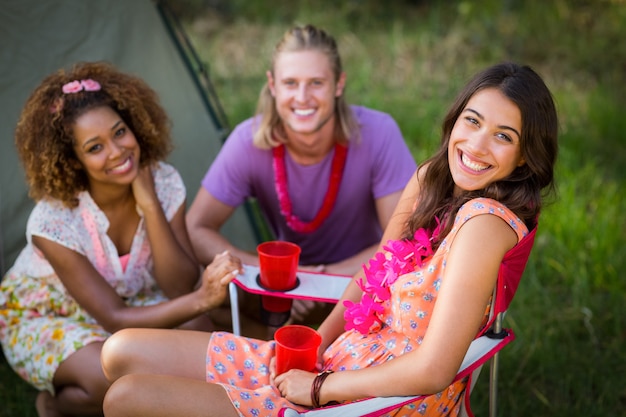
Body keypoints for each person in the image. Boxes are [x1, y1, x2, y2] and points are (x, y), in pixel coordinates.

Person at [100, 61, 558, 417]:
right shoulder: (430, 181)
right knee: (120, 353)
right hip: (338, 361)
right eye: (473, 121)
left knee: (125, 398)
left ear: (523, 158)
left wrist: (317, 388)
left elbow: (434, 370)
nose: (477, 146)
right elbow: (375, 274)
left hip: (376, 400)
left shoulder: (483, 223)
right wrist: (313, 348)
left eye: (503, 136)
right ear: (456, 120)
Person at [0, 61, 242, 417]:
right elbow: (115, 318)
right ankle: (55, 405)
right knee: (109, 379)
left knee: (199, 332)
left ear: (134, 125)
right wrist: (202, 298)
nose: (116, 151)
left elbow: (178, 285)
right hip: (48, 315)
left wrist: (150, 205)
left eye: (119, 132)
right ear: (73, 159)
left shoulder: (163, 180)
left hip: (133, 297)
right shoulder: (53, 220)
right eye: (95, 147)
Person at [186, 24, 416, 328]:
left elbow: (402, 239)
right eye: (290, 83)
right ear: (273, 85)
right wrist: (278, 273)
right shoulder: (248, 142)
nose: (302, 97)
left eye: (316, 82)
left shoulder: (378, 134)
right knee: (198, 309)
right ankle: (269, 351)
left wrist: (321, 280)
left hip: (366, 281)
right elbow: (196, 227)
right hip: (283, 287)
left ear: (338, 84)